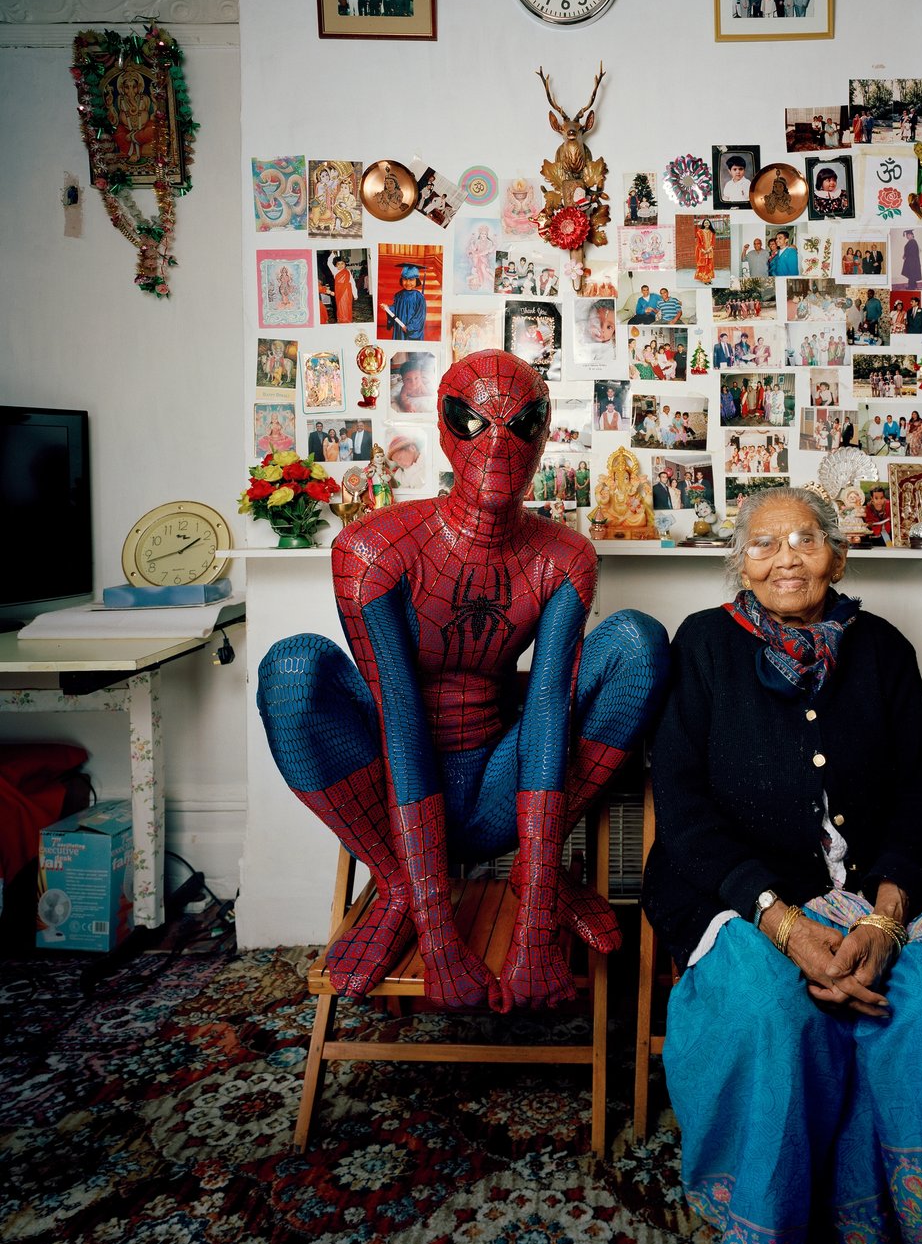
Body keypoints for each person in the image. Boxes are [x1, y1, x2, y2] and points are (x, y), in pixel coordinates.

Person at [642, 485, 922, 1244]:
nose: (786, 556)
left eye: (804, 538)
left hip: (873, 890)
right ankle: (774, 1238)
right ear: (740, 564)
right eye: (764, 543)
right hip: (736, 894)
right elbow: (681, 811)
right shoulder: (705, 646)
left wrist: (884, 916)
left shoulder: (886, 650)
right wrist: (784, 924)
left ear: (837, 554)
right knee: (771, 1012)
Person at [258, 352, 669, 1011]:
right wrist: (437, 934)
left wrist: (534, 925)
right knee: (292, 668)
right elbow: (400, 718)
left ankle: (541, 879)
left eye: (523, 423)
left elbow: (547, 715)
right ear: (445, 426)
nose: (499, 444)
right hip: (393, 801)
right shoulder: (371, 548)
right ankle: (396, 887)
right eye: (474, 421)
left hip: (501, 790)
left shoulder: (566, 557)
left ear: (545, 433)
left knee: (636, 643)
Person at [386, 265, 427, 341]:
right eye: (405, 279)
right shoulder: (398, 295)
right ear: (401, 280)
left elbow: (420, 316)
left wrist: (409, 328)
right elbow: (396, 309)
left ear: (416, 281)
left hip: (410, 330)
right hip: (400, 327)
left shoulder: (419, 297)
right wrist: (388, 308)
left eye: (411, 280)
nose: (408, 283)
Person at [694, 218, 716, 285]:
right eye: (705, 223)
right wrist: (703, 250)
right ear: (703, 224)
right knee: (704, 265)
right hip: (702, 252)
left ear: (710, 224)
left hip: (710, 251)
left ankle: (708, 278)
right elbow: (698, 243)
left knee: (709, 265)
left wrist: (709, 249)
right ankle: (705, 279)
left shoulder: (712, 232)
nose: (707, 224)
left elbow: (713, 242)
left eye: (708, 222)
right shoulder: (699, 232)